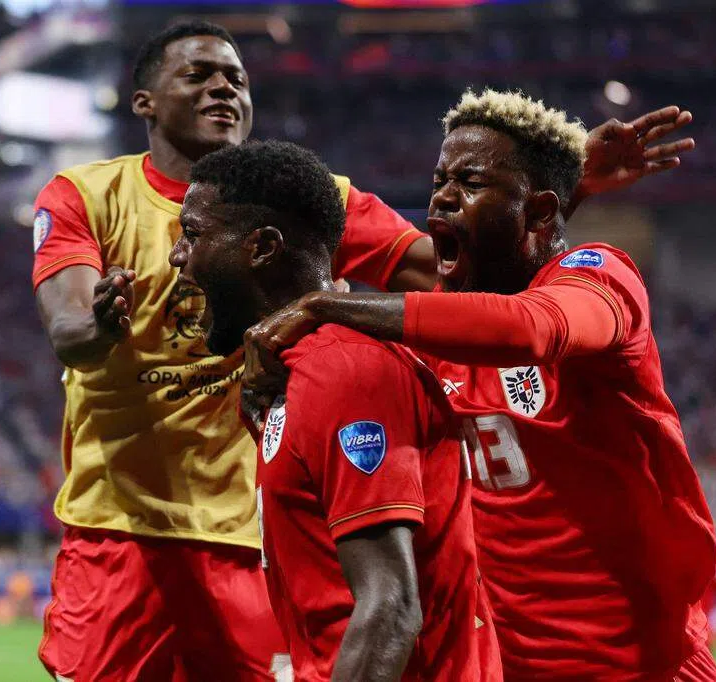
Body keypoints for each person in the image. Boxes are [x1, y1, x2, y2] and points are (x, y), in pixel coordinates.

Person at [32, 17, 694, 680]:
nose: (222, 89)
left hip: (639, 657)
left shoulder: (321, 220)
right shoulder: (89, 195)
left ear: (268, 246)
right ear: (143, 100)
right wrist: (100, 328)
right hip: (123, 528)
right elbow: (69, 331)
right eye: (199, 75)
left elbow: (509, 305)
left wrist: (320, 305)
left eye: (236, 77)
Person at [244, 89, 716, 681]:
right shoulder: (442, 307)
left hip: (643, 664)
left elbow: (532, 327)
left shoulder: (599, 279)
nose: (442, 197)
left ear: (540, 212)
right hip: (509, 668)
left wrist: (326, 307)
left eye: (469, 182)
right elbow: (315, 212)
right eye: (439, 180)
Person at [170, 138, 501, 682]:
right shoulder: (293, 372)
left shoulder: (344, 373)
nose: (177, 256)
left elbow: (390, 609)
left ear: (262, 247)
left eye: (193, 234)